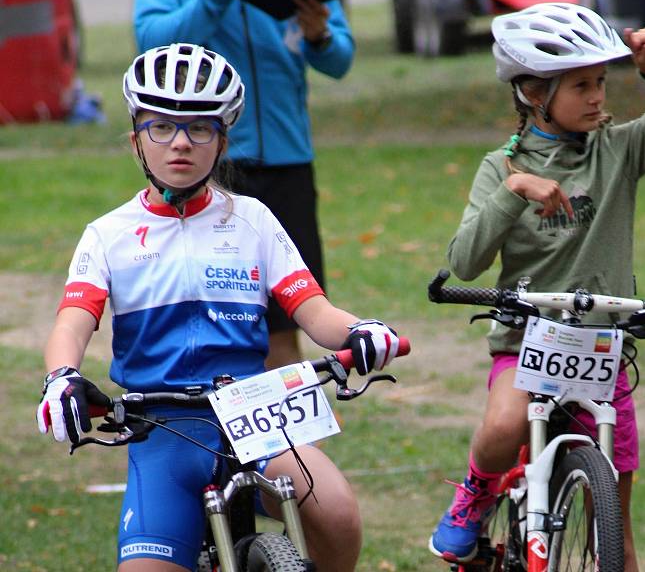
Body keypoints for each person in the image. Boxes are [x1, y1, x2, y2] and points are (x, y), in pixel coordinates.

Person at [36, 43, 399, 572]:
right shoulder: (107, 235)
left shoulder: (252, 219)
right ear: (137, 137)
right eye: (161, 127)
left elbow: (314, 310)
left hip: (251, 411)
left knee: (338, 513)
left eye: (200, 128)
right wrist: (61, 376)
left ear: (222, 140)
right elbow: (73, 321)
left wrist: (361, 330)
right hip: (160, 423)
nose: (180, 143)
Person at [428, 3, 645, 571]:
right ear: (533, 91)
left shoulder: (619, 150)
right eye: (582, 85)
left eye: (602, 81)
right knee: (505, 424)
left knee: (617, 535)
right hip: (526, 344)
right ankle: (474, 497)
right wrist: (515, 191)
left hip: (603, 351)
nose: (599, 96)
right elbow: (464, 261)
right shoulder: (500, 167)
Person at [133, 0, 355, 370]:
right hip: (209, 164)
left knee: (283, 325)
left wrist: (319, 36)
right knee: (213, 320)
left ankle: (293, 428)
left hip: (288, 164)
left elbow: (340, 60)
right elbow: (153, 44)